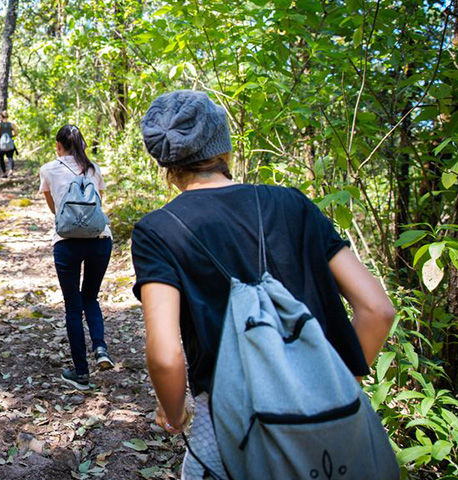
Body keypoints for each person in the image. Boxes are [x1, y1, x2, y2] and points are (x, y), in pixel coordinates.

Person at [131, 90, 395, 478]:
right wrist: (333, 386)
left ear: (165, 162)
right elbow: (378, 309)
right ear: (225, 148)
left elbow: (165, 355)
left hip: (227, 422)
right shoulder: (292, 204)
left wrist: (173, 414)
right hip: (330, 425)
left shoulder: (157, 231)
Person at [39, 125, 115, 391]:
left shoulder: (48, 169)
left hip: (67, 243)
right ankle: (101, 348)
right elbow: (98, 205)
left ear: (58, 145)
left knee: (73, 307)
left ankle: (81, 373)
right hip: (100, 240)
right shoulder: (94, 169)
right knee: (91, 297)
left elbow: (55, 210)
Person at [0, 110, 18, 177]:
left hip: (2, 144)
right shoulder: (11, 124)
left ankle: (4, 173)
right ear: (7, 117)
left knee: (1, 158)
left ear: (1, 117)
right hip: (10, 143)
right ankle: (10, 170)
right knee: (10, 157)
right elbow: (16, 133)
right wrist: (11, 136)